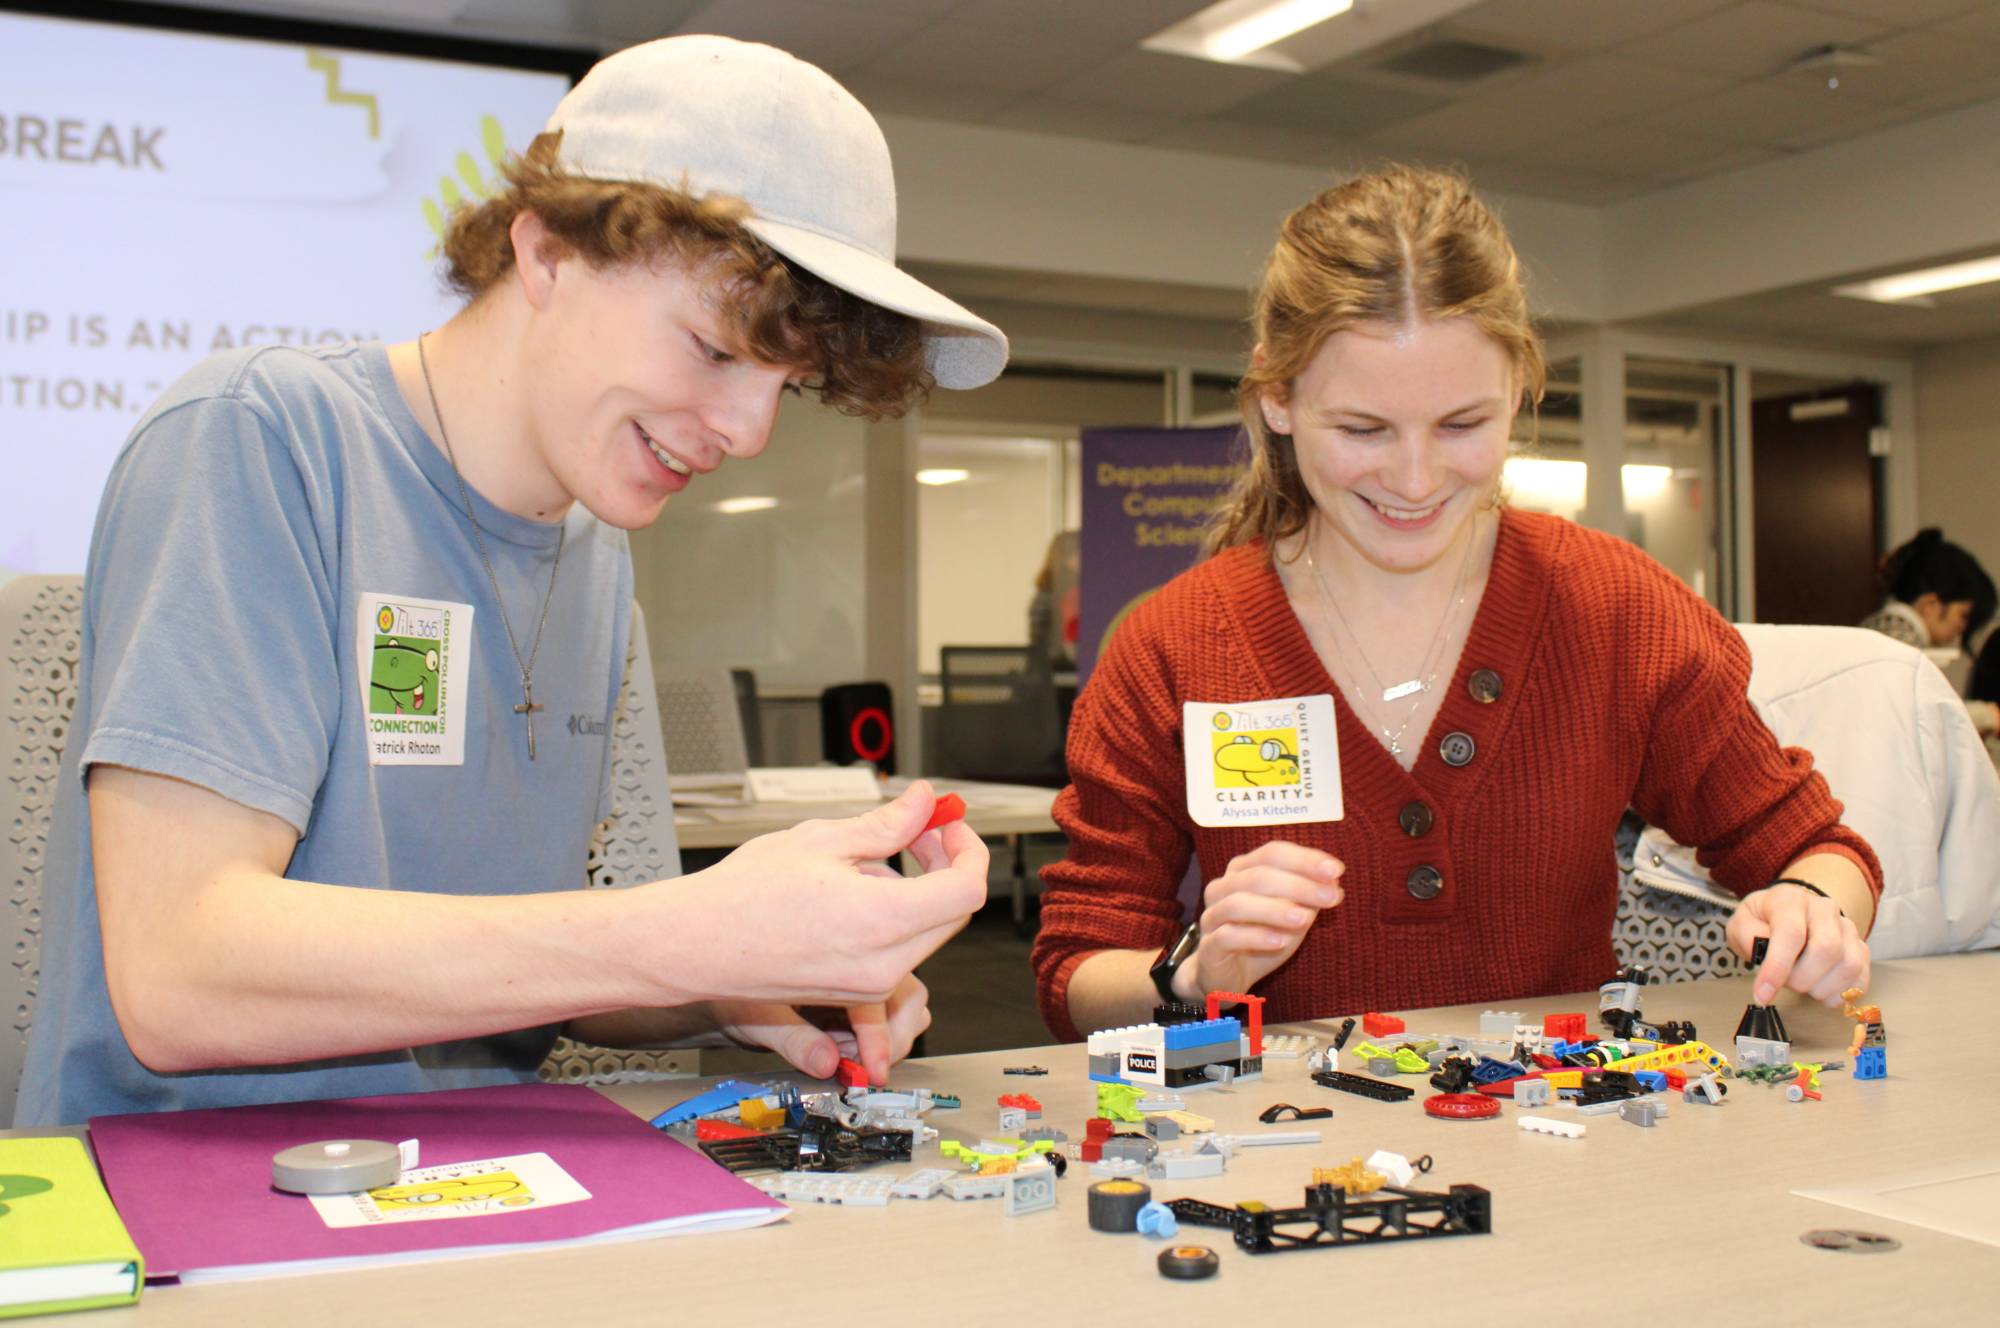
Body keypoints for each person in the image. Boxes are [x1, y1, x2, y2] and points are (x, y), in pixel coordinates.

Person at [18, 36, 1010, 1125]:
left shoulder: (592, 553)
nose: (747, 429)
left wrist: (738, 980)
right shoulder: (259, 438)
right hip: (180, 1209)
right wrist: (684, 932)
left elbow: (536, 965)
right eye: (716, 351)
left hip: (466, 1188)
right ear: (543, 253)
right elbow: (180, 976)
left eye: (790, 382)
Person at [1031, 165, 1879, 1041]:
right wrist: (1192, 973)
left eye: (1462, 425)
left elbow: (1816, 849)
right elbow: (1074, 974)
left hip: (1569, 1134)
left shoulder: (1614, 610)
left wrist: (1813, 908)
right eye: (1363, 430)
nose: (1414, 479)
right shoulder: (1175, 647)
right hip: (1281, 1153)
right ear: (1277, 398)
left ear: (1519, 385)